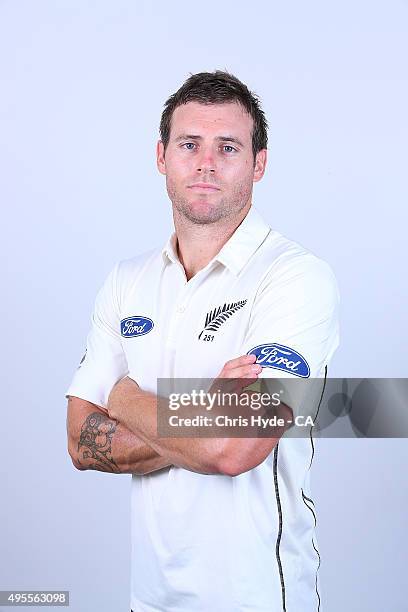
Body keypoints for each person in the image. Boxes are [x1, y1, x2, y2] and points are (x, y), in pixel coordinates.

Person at [66, 70, 339, 612]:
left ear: (258, 164)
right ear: (161, 156)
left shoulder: (295, 277)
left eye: (228, 147)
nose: (206, 162)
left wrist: (123, 399)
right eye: (190, 144)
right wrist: (206, 412)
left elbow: (233, 448)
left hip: (258, 597)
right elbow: (79, 443)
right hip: (149, 599)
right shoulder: (127, 280)